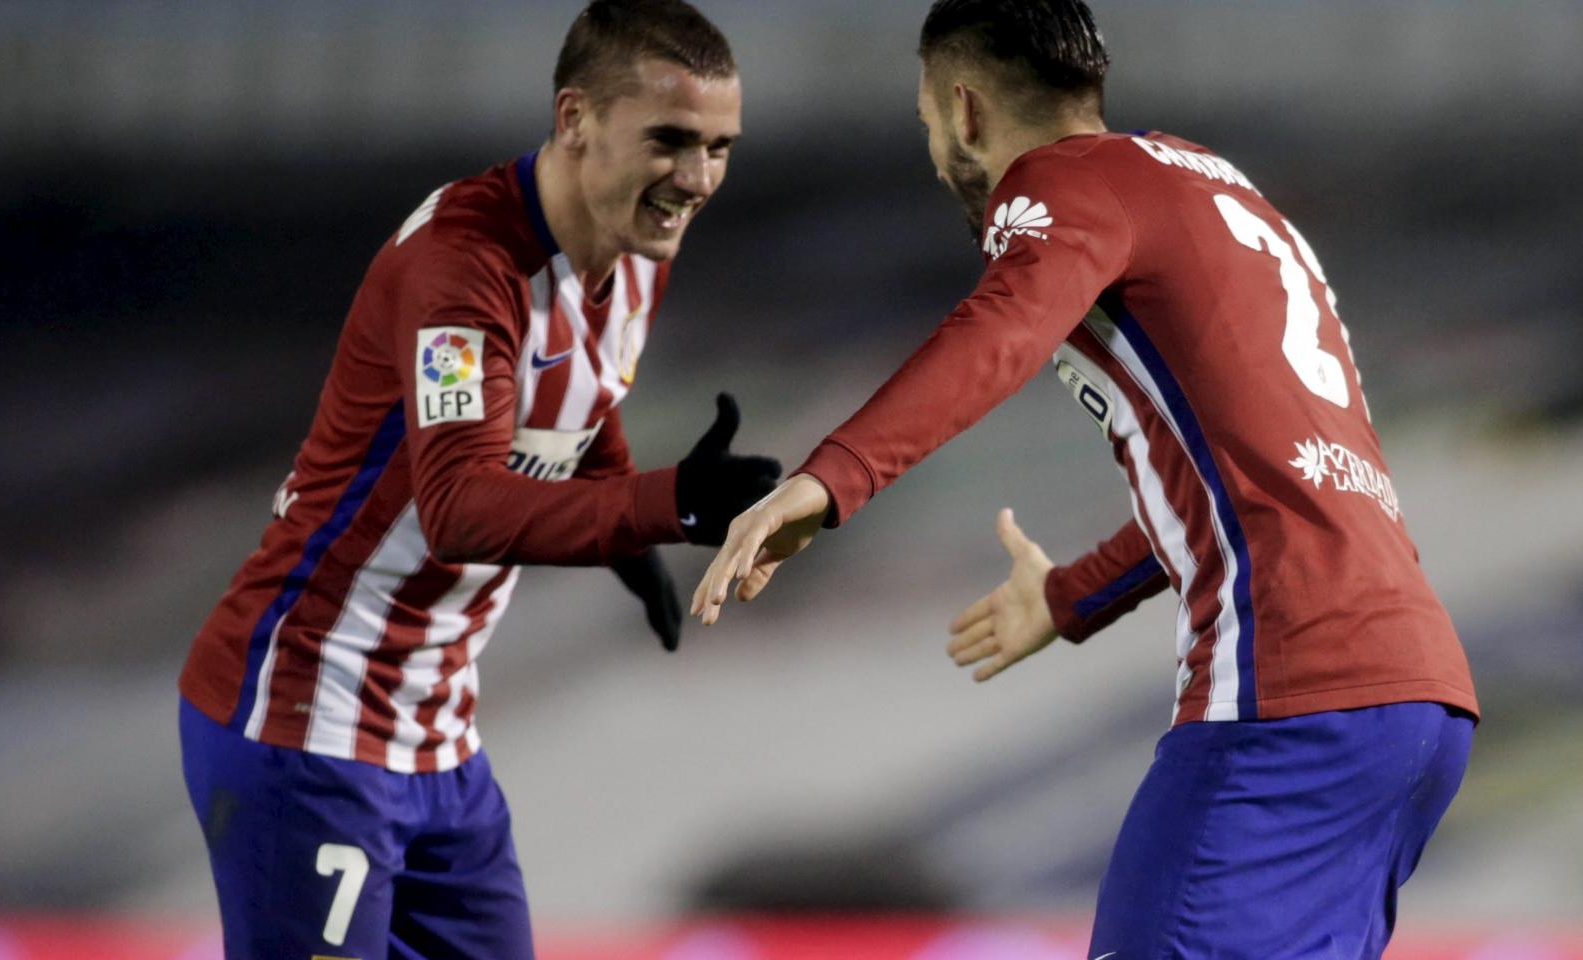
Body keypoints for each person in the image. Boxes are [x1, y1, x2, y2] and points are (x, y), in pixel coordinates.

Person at [692, 1, 1477, 955]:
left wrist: (831, 479)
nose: (937, 153)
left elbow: (999, 334)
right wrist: (1071, 597)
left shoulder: (1066, 186)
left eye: (929, 123)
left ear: (965, 110)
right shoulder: (1218, 189)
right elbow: (1248, 477)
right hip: (1415, 705)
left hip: (1288, 698)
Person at [177, 2, 779, 957]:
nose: (697, 179)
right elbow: (458, 508)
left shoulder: (631, 251)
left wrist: (624, 526)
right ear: (575, 118)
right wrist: (663, 505)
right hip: (309, 718)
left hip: (437, 734)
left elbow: (580, 389)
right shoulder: (464, 269)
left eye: (719, 146)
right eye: (669, 140)